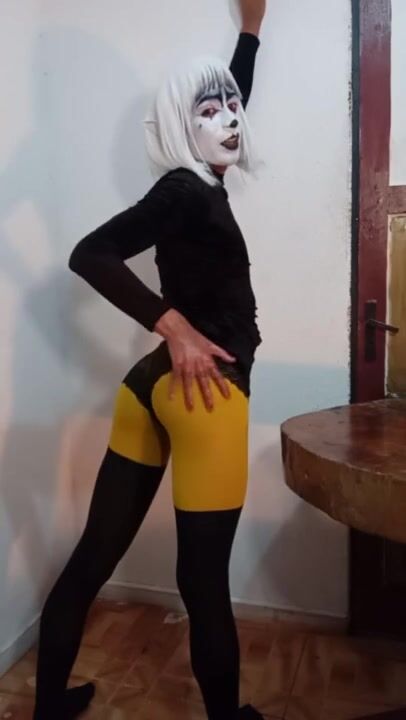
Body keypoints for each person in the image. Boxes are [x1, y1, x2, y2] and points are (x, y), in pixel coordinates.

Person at [32, 1, 267, 718]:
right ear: (178, 125)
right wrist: (174, 326)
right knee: (204, 585)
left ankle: (47, 709)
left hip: (149, 388)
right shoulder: (184, 190)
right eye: (210, 111)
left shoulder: (203, 181)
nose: (230, 119)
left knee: (94, 555)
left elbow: (227, 102)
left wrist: (251, 32)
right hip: (206, 394)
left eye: (232, 107)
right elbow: (90, 253)